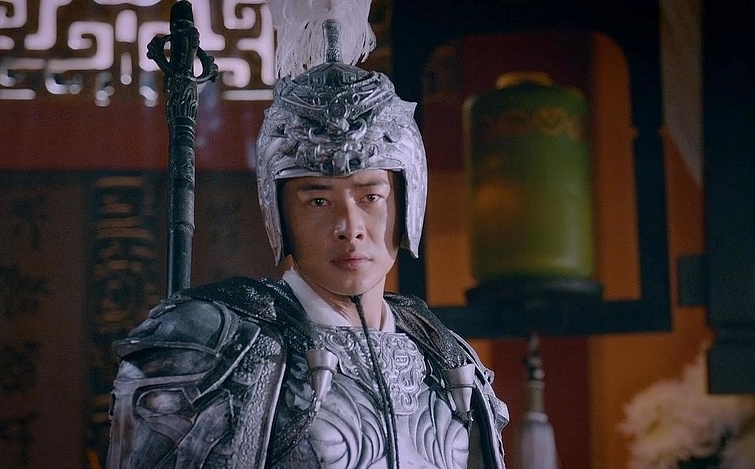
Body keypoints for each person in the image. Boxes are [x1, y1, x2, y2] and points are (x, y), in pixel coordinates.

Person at [105, 7, 508, 469]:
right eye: (318, 200)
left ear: (406, 201)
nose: (349, 226)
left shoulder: (445, 356)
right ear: (280, 213)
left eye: (371, 196)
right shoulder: (217, 344)